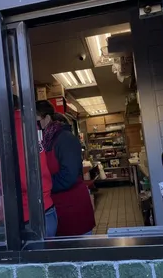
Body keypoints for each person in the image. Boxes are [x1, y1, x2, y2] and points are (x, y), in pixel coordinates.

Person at [36, 100, 95, 236]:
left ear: (47, 118)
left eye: (37, 121)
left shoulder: (65, 139)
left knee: (78, 252)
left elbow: (69, 176)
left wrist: (42, 185)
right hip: (56, 208)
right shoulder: (45, 140)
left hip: (73, 208)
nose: (35, 126)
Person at [14, 96, 57, 237]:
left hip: (28, 213)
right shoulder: (30, 126)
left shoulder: (12, 127)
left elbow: (25, 178)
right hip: (44, 207)